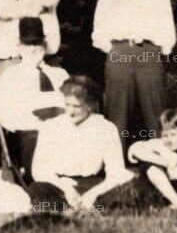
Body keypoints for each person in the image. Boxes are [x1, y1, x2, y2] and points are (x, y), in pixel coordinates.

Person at [92, 0, 175, 143]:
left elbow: (167, 30)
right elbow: (99, 32)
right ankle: (115, 165)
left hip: (148, 51)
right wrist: (114, 50)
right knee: (117, 112)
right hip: (119, 52)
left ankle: (164, 160)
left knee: (156, 112)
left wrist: (159, 51)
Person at [26, 76, 133, 216]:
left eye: (76, 106)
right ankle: (69, 213)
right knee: (37, 189)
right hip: (60, 185)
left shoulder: (105, 128)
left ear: (90, 105)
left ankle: (80, 211)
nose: (70, 111)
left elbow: (116, 171)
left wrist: (93, 194)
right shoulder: (50, 126)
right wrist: (66, 189)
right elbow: (39, 170)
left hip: (94, 185)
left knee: (126, 190)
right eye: (67, 105)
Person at [0, 17, 69, 176]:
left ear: (45, 45)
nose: (34, 48)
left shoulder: (59, 74)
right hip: (30, 136)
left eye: (38, 43)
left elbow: (70, 108)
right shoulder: (11, 76)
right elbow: (8, 119)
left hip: (61, 135)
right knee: (34, 138)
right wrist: (42, 126)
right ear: (19, 46)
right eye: (28, 43)